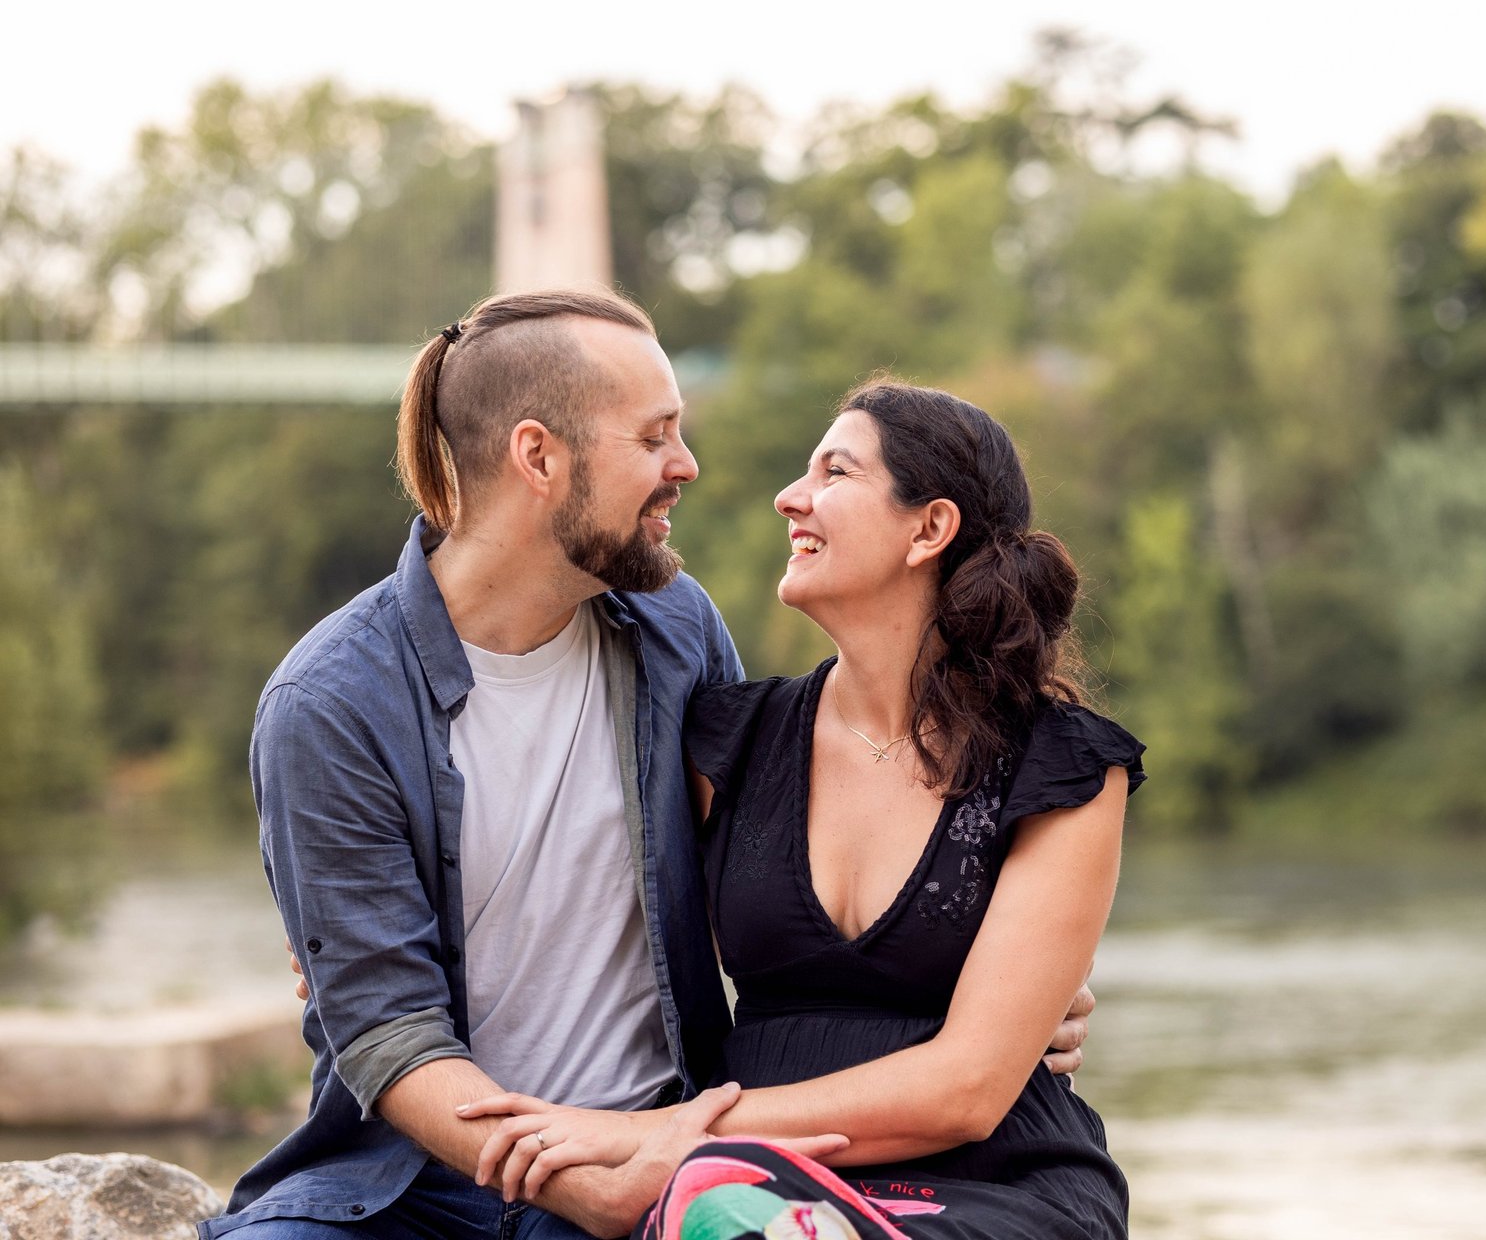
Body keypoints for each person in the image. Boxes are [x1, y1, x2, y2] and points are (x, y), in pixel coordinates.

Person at [205, 290, 1096, 1240]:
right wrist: (556, 1172)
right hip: (402, 1187)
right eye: (654, 437)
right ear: (538, 457)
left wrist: (1010, 988)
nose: (688, 466)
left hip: (661, 1151)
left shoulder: (675, 631)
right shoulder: (331, 703)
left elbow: (774, 865)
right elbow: (388, 1030)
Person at [458, 382, 1143, 1240]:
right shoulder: (726, 742)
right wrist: (356, 922)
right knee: (729, 1216)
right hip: (747, 1184)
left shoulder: (1063, 766)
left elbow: (967, 1091)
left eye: (834, 471)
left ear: (927, 529)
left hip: (990, 1186)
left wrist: (652, 1134)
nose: (791, 496)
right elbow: (554, 870)